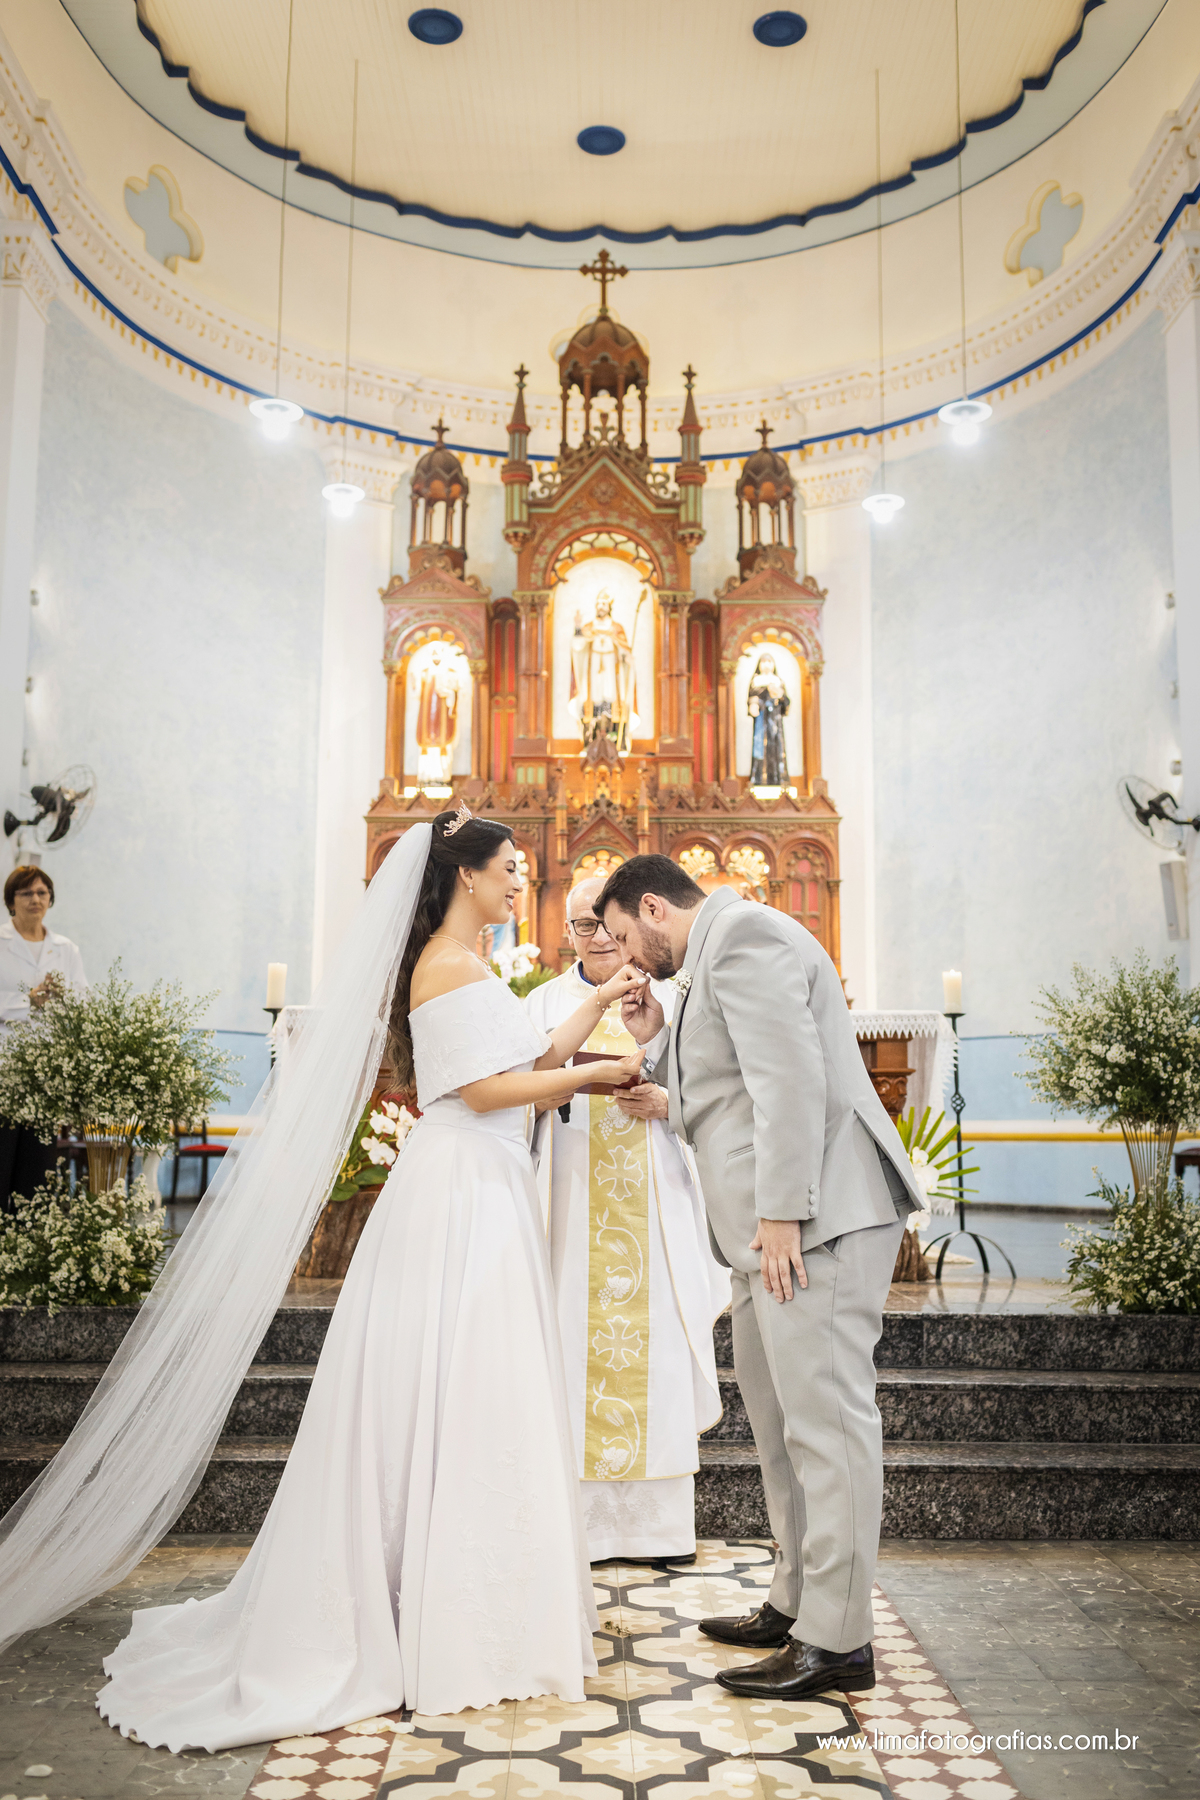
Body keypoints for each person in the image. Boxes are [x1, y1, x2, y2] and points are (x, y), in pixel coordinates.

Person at [0, 808, 649, 1749]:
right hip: (463, 1194)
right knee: (460, 1388)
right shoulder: (445, 964)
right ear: (465, 875)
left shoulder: (464, 965)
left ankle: (480, 1607)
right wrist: (590, 1079)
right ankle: (441, 1620)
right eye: (511, 868)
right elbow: (478, 1093)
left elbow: (518, 1060)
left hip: (487, 1184)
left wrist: (585, 1018)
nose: (522, 882)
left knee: (480, 1392)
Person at [595, 853, 922, 1704]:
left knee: (829, 1424)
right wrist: (651, 1038)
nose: (632, 957)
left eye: (629, 936)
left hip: (815, 1218)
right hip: (766, 1228)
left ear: (655, 908)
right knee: (780, 1424)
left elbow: (790, 1078)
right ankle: (796, 1600)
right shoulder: (709, 961)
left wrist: (782, 1213)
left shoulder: (742, 937)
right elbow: (723, 1088)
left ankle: (838, 1638)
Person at [525, 878, 728, 1562]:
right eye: (584, 927)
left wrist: (667, 1102)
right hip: (572, 1199)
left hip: (659, 1197)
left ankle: (657, 1530)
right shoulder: (544, 1005)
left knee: (659, 1348)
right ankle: (578, 1527)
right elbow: (517, 1090)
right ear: (568, 932)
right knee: (572, 1347)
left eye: (607, 926)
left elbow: (720, 1089)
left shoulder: (673, 997)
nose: (599, 939)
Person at [0, 865, 88, 1213]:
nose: (36, 899)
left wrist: (61, 995)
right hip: (5, 1067)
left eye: (42, 892)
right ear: (11, 901)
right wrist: (28, 1002)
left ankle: (29, 1250)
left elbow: (84, 1000)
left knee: (37, 1168)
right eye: (27, 893)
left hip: (46, 1073)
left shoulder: (66, 949)